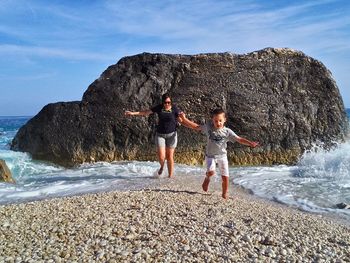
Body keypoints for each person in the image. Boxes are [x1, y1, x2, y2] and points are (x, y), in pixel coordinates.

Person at [179, 108, 259, 199]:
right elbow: (196, 127)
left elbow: (239, 139)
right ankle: (207, 178)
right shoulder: (208, 127)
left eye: (220, 120)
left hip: (222, 156)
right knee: (211, 172)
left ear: (224, 120)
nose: (218, 123)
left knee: (225, 177)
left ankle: (224, 193)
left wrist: (250, 143)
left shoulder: (227, 131)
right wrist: (184, 119)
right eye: (216, 121)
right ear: (212, 120)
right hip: (210, 156)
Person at [124, 93, 183, 178]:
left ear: (171, 102)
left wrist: (183, 120)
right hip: (160, 135)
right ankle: (162, 166)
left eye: (169, 102)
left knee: (169, 157)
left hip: (171, 135)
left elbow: (181, 119)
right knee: (161, 156)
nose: (167, 104)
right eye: (165, 102)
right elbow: (145, 112)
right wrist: (133, 113)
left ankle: (170, 176)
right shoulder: (159, 108)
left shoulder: (175, 109)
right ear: (162, 102)